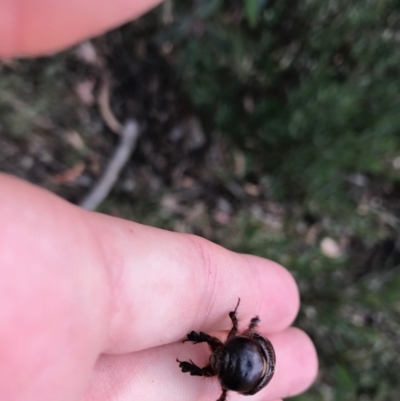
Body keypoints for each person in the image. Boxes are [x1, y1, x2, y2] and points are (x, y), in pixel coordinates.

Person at [0, 1, 318, 400]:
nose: (214, 360)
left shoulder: (228, 364)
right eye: (218, 357)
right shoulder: (233, 348)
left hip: (250, 364)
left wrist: (223, 347)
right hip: (248, 355)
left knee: (214, 355)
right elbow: (226, 348)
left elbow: (222, 362)